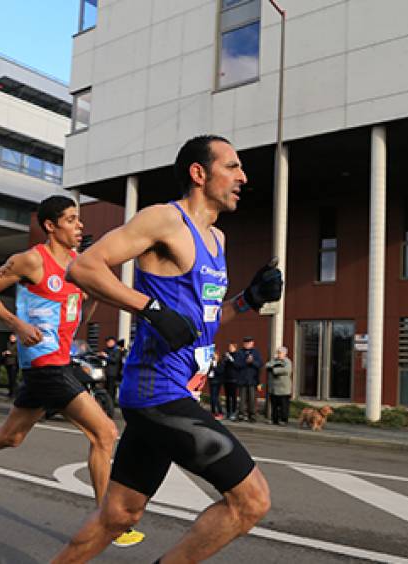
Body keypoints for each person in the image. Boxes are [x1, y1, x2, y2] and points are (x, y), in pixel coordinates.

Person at [57, 134, 283, 563]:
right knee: (251, 501)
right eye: (232, 167)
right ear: (199, 173)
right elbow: (83, 268)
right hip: (158, 391)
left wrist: (247, 300)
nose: (243, 177)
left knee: (119, 515)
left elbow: (199, 323)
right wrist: (150, 307)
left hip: (178, 392)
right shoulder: (164, 219)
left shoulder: (217, 240)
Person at [0, 195, 145, 548]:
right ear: (51, 226)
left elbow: (79, 319)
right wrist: (17, 324)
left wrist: (93, 297)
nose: (80, 225)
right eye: (71, 219)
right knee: (104, 433)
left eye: (79, 219)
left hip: (60, 361)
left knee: (11, 436)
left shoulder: (78, 266)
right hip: (45, 363)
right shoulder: (30, 260)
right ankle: (108, 522)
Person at [235, 337, 263, 423]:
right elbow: (236, 364)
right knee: (242, 399)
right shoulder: (240, 352)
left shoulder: (256, 352)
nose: (247, 344)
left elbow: (260, 364)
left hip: (252, 380)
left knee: (252, 399)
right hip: (242, 379)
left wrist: (252, 362)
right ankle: (241, 415)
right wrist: (245, 362)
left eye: (249, 343)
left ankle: (252, 416)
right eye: (246, 343)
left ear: (252, 343)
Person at [265, 346, 292, 426]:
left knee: (284, 406)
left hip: (284, 389)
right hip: (274, 388)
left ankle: (284, 420)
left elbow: (286, 370)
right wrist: (276, 366)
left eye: (280, 353)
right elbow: (267, 365)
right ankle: (274, 419)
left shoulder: (287, 361)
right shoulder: (274, 360)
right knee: (274, 405)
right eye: (278, 352)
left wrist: (274, 369)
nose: (279, 354)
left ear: (285, 354)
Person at [99, 336, 122, 404]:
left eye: (109, 342)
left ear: (113, 342)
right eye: (107, 342)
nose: (108, 343)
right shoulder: (107, 349)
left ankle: (111, 403)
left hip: (113, 373)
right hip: (106, 372)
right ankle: (107, 402)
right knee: (106, 388)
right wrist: (100, 355)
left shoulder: (117, 350)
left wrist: (106, 356)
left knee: (111, 389)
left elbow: (115, 360)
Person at [223, 342, 240, 420]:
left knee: (233, 397)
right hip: (226, 379)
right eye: (229, 347)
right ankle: (228, 412)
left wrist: (231, 359)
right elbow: (223, 365)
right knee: (227, 397)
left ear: (235, 348)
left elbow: (237, 365)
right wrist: (225, 359)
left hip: (234, 379)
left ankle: (233, 412)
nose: (230, 348)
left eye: (231, 347)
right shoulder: (227, 355)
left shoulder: (237, 355)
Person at [208, 350, 225, 419]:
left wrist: (214, 366)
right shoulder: (211, 363)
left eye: (215, 355)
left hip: (217, 382)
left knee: (215, 397)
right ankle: (213, 412)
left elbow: (220, 371)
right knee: (212, 397)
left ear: (218, 356)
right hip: (211, 381)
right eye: (213, 355)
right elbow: (208, 371)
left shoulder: (220, 363)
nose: (214, 356)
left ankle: (220, 412)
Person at [2, 333, 20, 398]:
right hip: (8, 363)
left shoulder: (18, 344)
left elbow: (18, 353)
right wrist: (4, 353)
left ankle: (14, 393)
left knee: (13, 379)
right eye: (10, 337)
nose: (11, 338)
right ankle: (10, 392)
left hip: (14, 363)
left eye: (12, 337)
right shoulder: (8, 343)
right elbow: (5, 350)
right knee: (10, 379)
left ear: (16, 338)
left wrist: (11, 353)